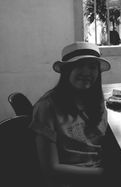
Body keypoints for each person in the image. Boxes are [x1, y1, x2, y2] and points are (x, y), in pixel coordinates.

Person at [30, 42, 111, 187]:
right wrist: (105, 174)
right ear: (66, 70)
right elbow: (50, 168)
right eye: (79, 65)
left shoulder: (96, 101)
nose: (86, 73)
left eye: (92, 67)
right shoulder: (47, 107)